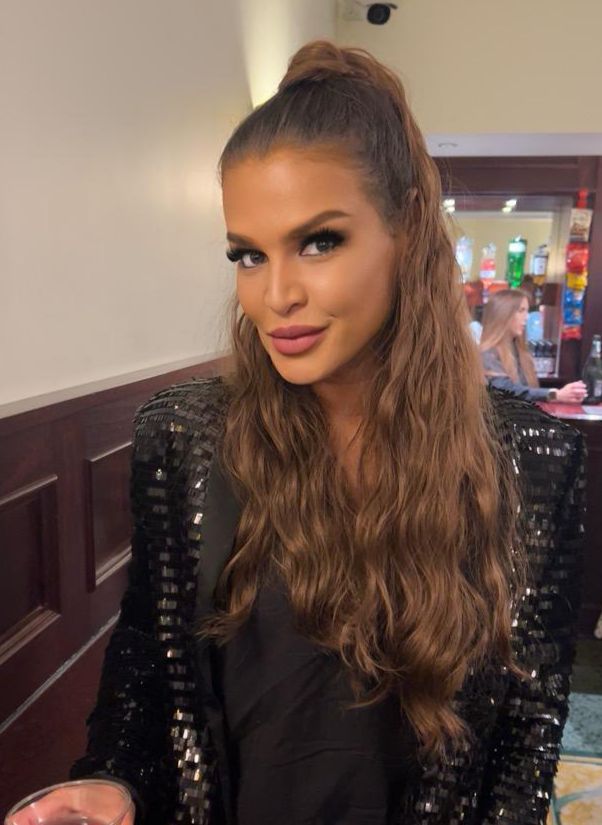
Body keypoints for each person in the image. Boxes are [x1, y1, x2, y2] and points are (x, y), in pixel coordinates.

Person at [15, 42, 585, 825]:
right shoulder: (184, 437)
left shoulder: (530, 456)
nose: (276, 293)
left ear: (407, 229)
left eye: (319, 242)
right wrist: (111, 778)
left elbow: (528, 724)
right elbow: (147, 660)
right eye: (248, 254)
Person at [480, 288, 587, 404]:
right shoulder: (487, 352)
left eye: (527, 311)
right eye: (521, 311)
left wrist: (565, 395)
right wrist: (554, 394)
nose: (527, 317)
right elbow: (505, 390)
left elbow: (526, 394)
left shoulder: (519, 350)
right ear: (503, 314)